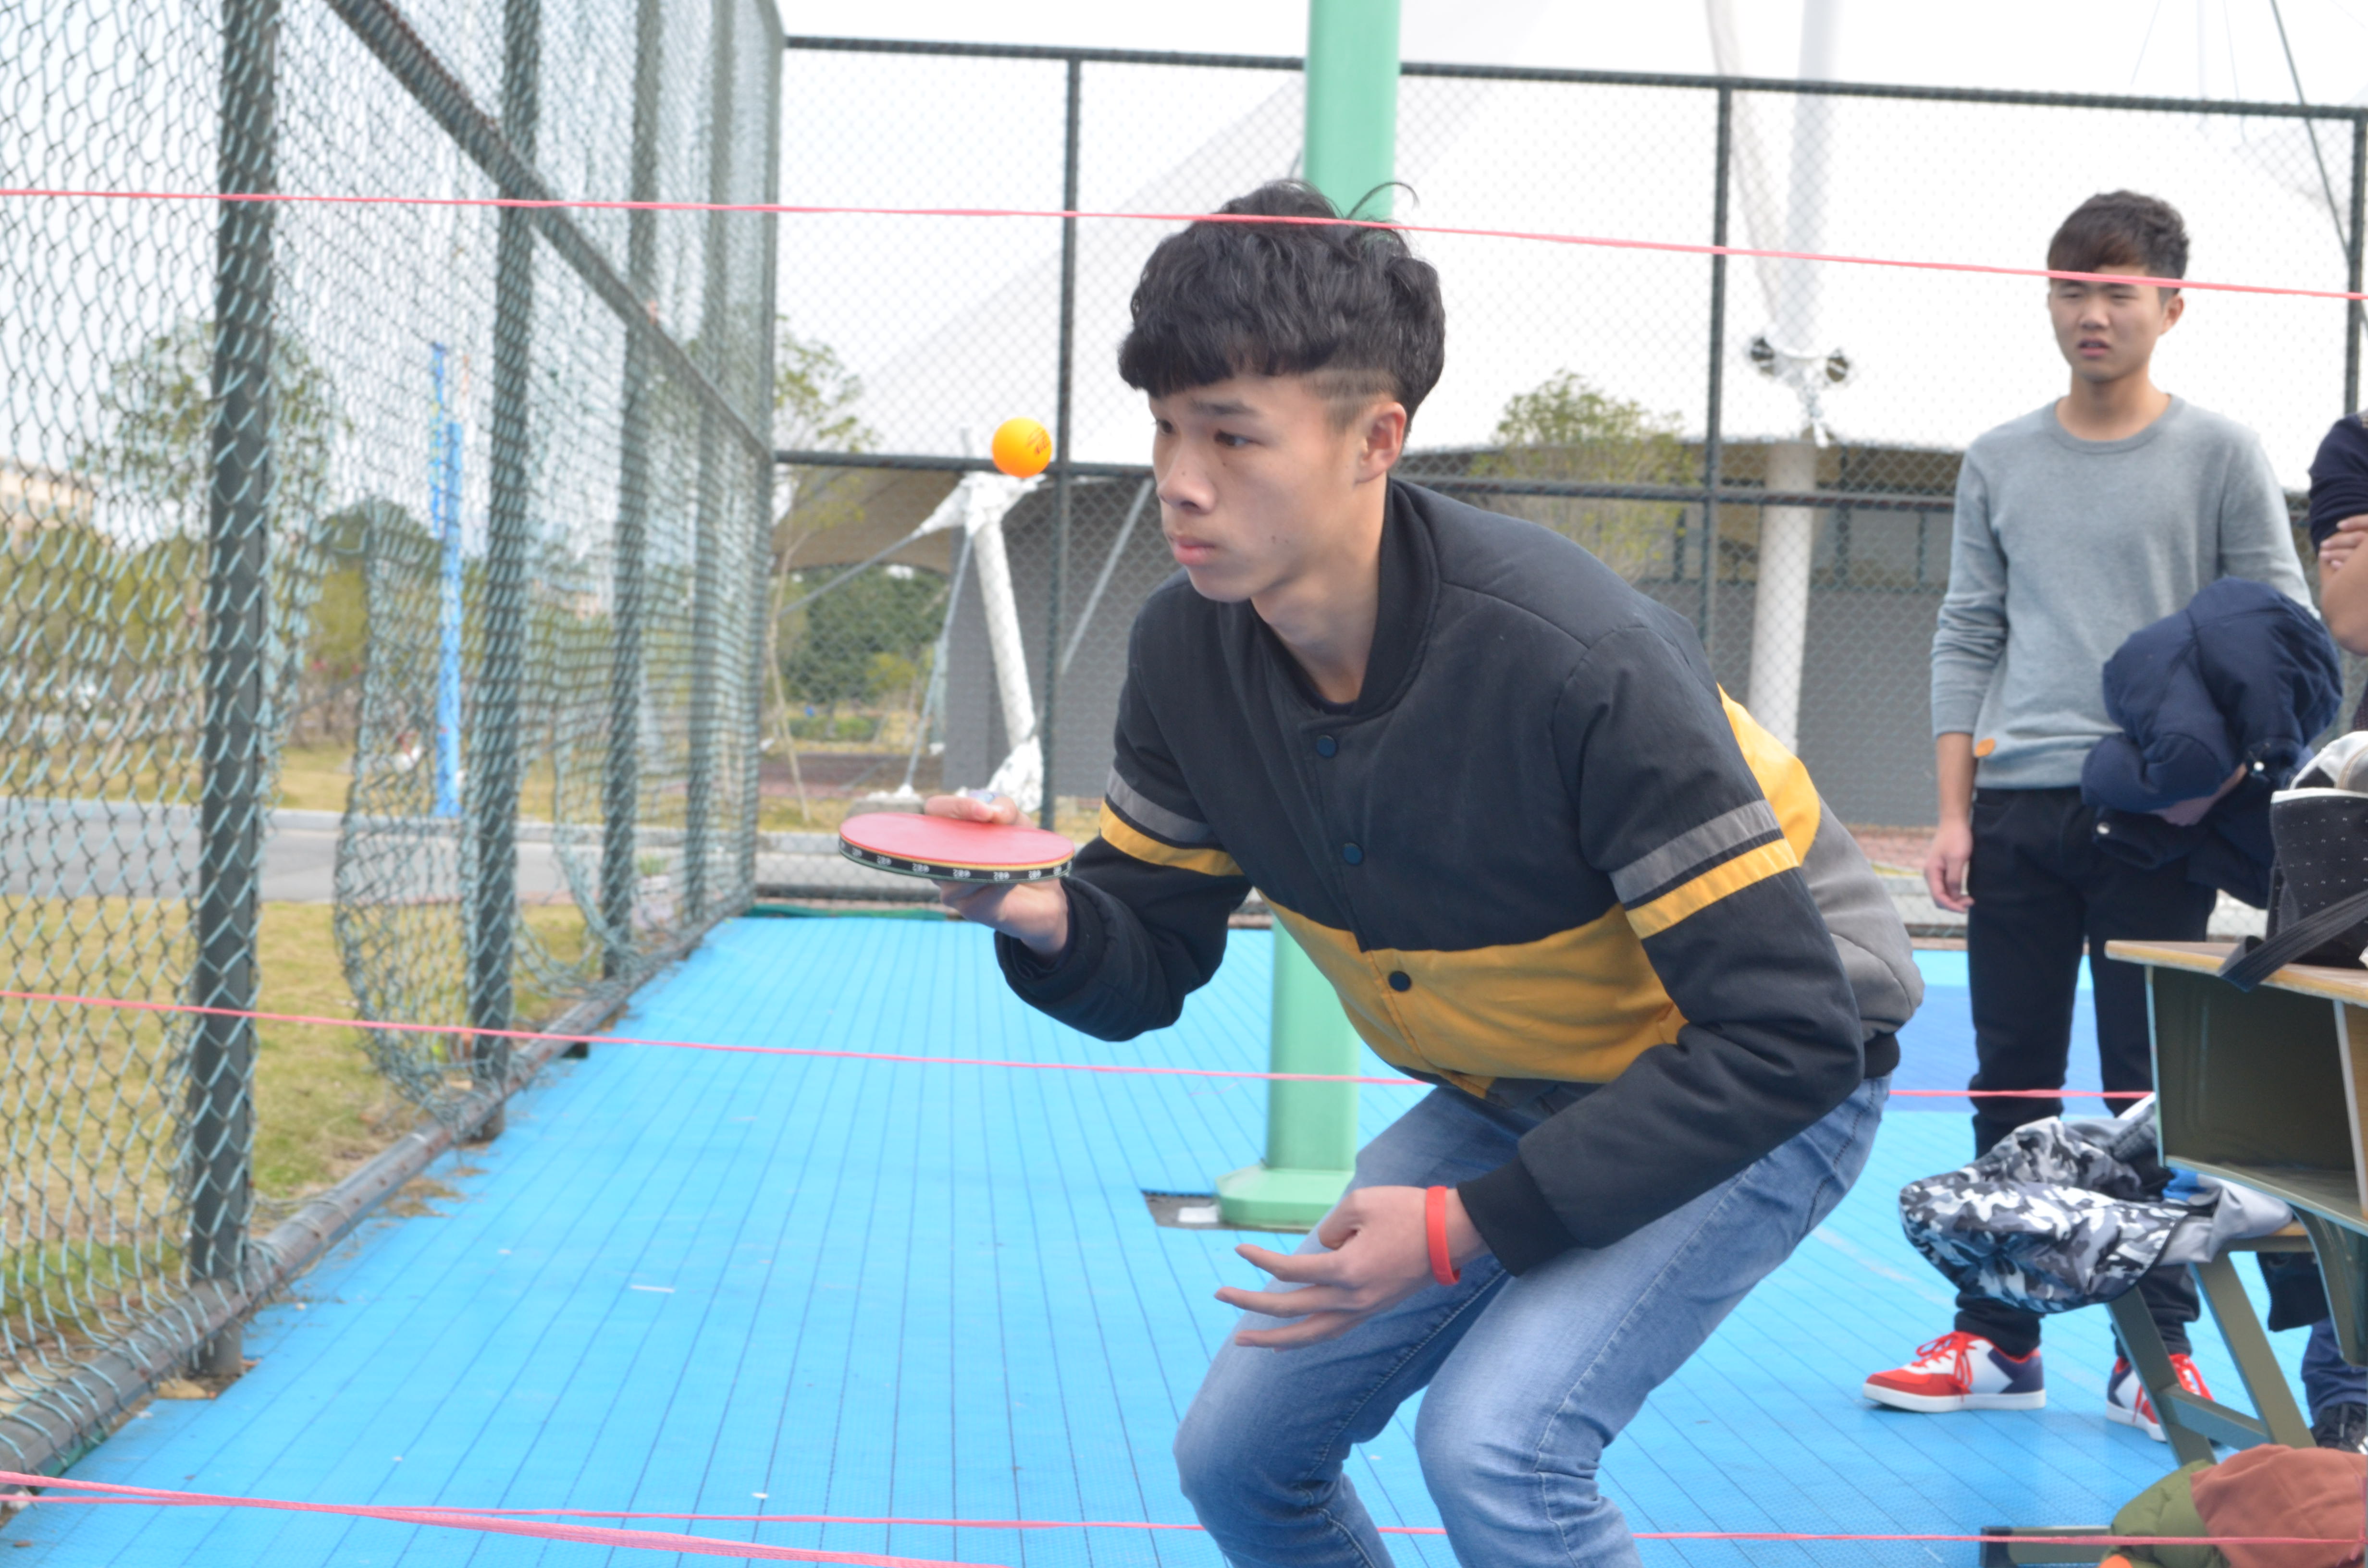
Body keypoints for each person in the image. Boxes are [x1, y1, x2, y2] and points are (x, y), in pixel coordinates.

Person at [926, 180, 1921, 1567]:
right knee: (1238, 1462)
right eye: (1164, 427)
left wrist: (1467, 1226)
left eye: (1233, 435)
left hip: (1755, 1076)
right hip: (1516, 1089)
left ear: (1376, 439)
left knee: (1498, 1453)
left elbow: (1788, 1035)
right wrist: (1036, 909)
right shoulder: (1186, 652)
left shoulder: (1578, 661)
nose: (1181, 480)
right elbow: (1144, 953)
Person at [1866, 191, 2313, 1435]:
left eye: (2119, 291)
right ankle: (1997, 1336)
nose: (2093, 312)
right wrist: (1953, 811)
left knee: (2144, 1094)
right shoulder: (2000, 458)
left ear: (2172, 306)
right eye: (2072, 288)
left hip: (2158, 820)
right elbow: (1968, 630)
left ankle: (2153, 1352)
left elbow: (2277, 628)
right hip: (2018, 806)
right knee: (2007, 1081)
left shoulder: (2220, 453)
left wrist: (2216, 778)